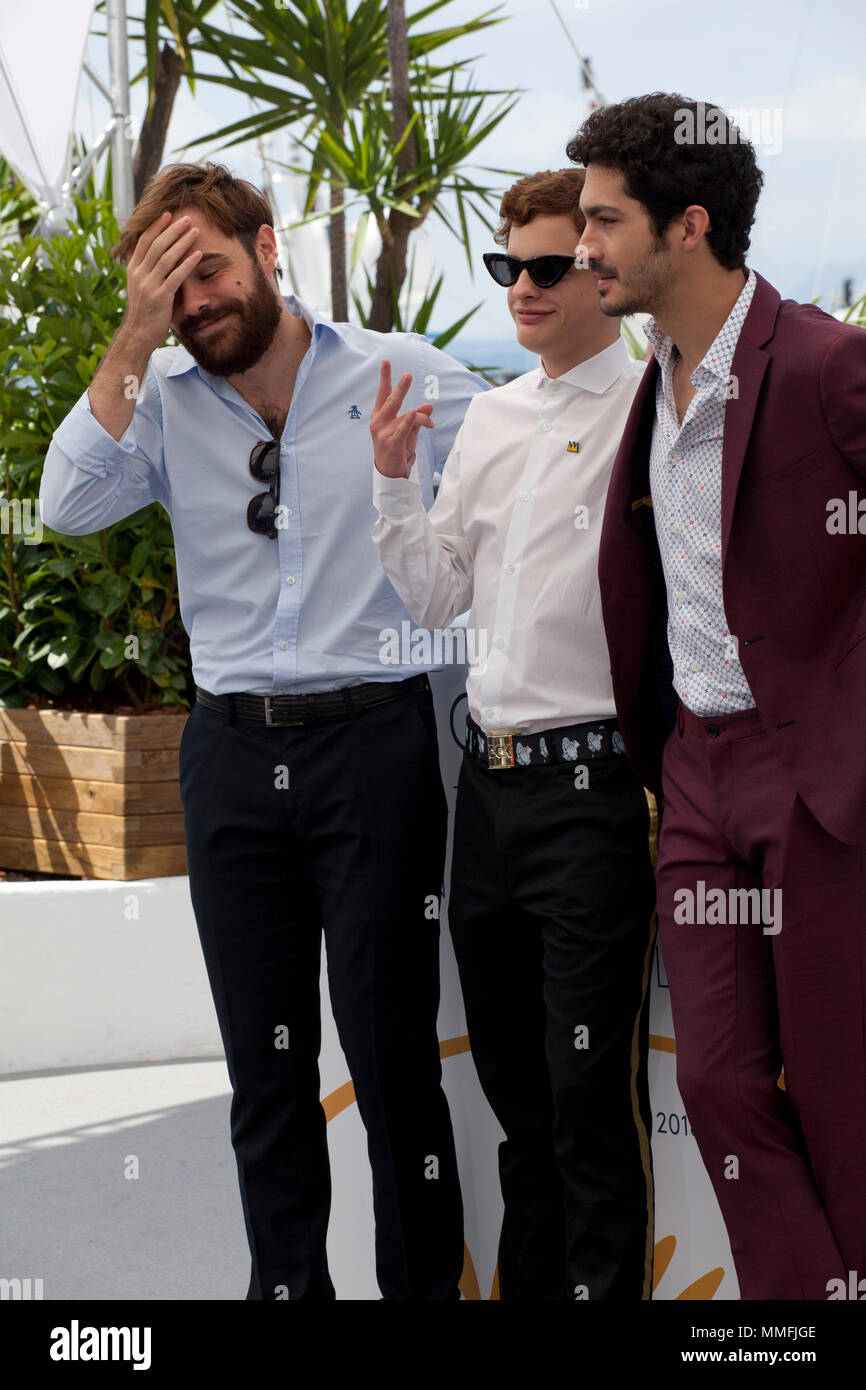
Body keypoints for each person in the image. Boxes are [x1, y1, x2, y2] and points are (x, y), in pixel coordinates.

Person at [39, 161, 490, 1301]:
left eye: (205, 268)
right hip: (232, 757)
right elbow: (62, 504)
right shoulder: (162, 406)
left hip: (373, 744)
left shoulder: (405, 371)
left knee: (391, 1060)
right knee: (265, 1070)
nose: (194, 301)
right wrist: (132, 339)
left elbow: (521, 497)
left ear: (266, 249)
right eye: (165, 286)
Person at [568, 93, 866, 1300]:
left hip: (818, 778)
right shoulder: (651, 385)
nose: (581, 247)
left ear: (685, 226)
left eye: (600, 220)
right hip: (694, 772)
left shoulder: (823, 363)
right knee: (716, 1081)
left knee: (843, 1098)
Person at [370, 168, 657, 1301]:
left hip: (594, 794)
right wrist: (393, 485)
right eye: (507, 268)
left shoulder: (653, 407)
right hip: (484, 799)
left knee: (589, 1109)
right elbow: (436, 598)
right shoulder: (486, 416)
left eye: (546, 268)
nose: (522, 289)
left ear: (598, 273)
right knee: (517, 1107)